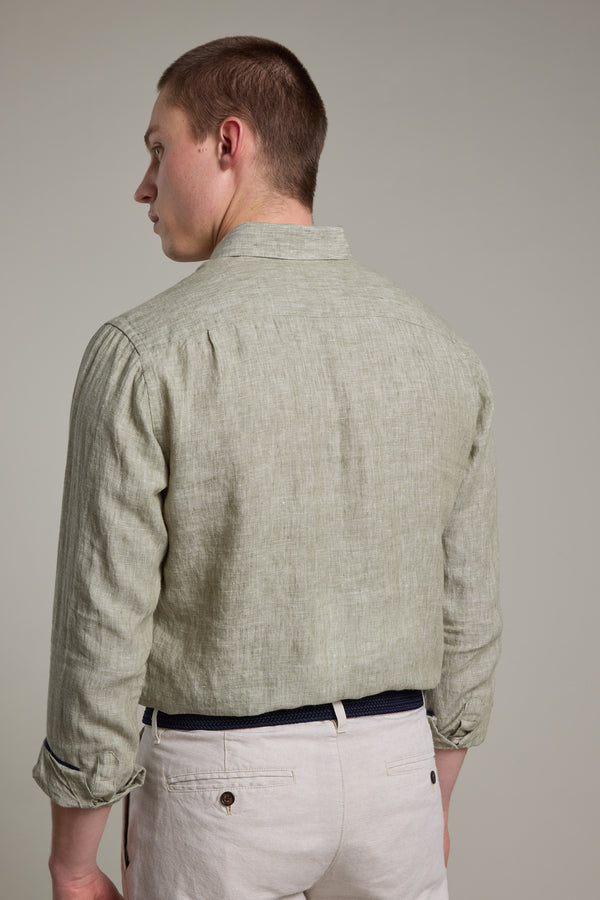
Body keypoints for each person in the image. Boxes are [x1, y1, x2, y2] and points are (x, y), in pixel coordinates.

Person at [33, 36, 502, 900]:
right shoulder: (443, 353)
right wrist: (431, 786)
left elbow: (103, 624)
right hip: (399, 774)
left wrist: (72, 854)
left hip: (221, 792)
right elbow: (468, 608)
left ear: (227, 142)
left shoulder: (143, 355)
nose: (143, 185)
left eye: (156, 148)